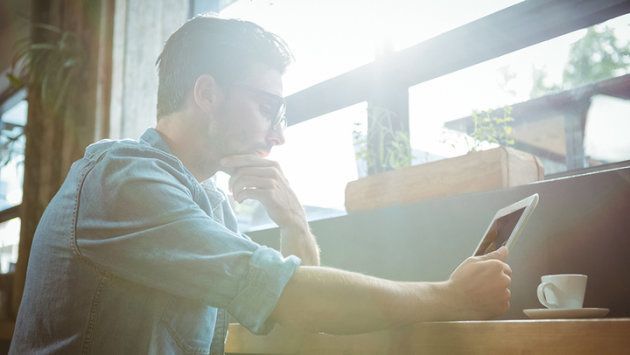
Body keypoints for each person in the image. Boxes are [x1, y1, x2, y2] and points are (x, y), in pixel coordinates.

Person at [10, 15, 511, 354]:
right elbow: (293, 295)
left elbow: (293, 329)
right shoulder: (123, 179)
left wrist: (294, 222)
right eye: (268, 107)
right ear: (206, 93)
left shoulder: (208, 205)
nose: (279, 134)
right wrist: (451, 297)